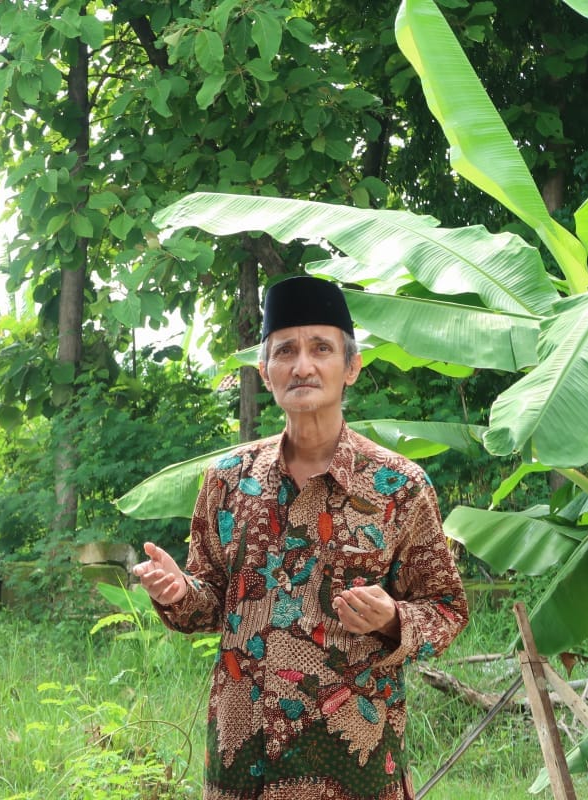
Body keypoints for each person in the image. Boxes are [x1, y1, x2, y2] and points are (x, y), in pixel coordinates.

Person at [133, 275, 468, 800]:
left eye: (321, 348)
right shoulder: (228, 480)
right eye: (285, 351)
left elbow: (447, 610)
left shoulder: (399, 487)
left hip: (353, 765)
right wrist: (180, 592)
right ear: (266, 372)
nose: (302, 365)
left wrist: (393, 618)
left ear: (350, 366)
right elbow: (212, 603)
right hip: (242, 763)